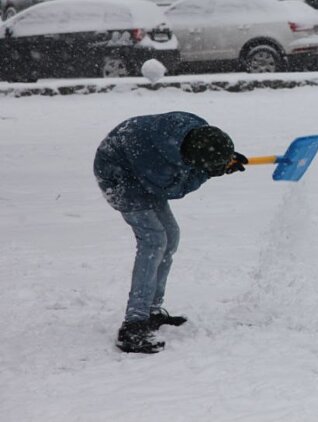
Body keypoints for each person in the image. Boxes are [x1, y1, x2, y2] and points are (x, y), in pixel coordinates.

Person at [93, 112, 248, 353]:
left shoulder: (195, 127)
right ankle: (133, 325)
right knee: (154, 240)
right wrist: (208, 172)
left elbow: (196, 158)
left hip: (137, 166)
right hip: (118, 176)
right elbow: (173, 188)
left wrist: (222, 159)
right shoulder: (157, 165)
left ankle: (151, 311)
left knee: (170, 235)